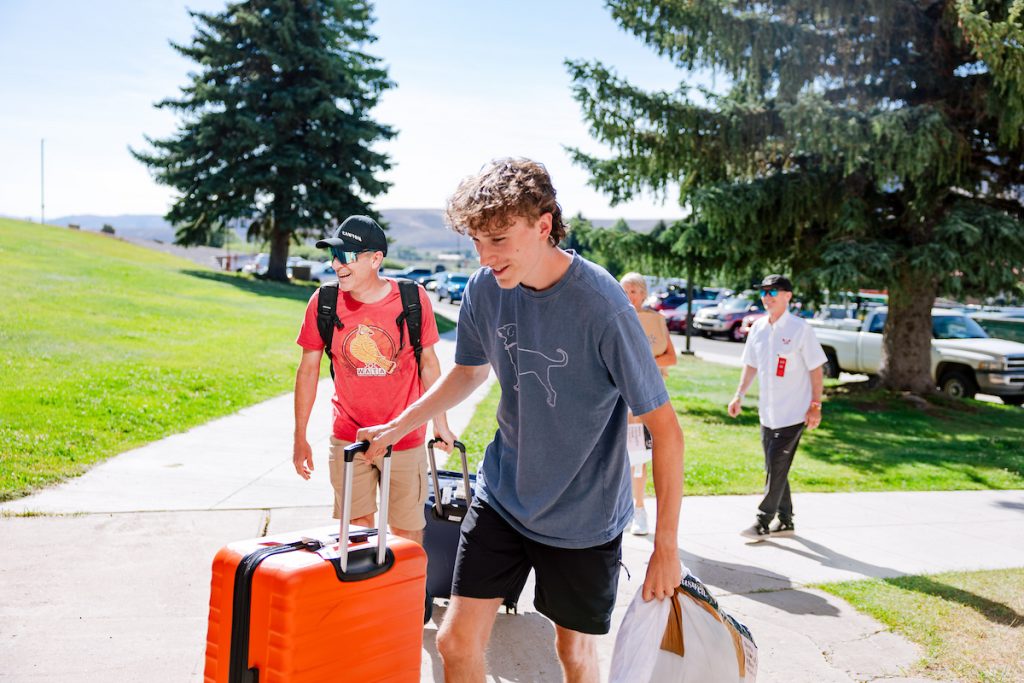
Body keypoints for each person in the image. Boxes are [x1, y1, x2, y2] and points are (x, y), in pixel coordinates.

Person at [358, 158, 684, 683]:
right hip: (504, 495)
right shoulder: (486, 289)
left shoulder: (603, 308)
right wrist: (396, 427)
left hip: (583, 518)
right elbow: (468, 373)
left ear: (543, 225)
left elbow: (666, 432)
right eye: (477, 243)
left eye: (499, 240)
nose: (486, 258)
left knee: (573, 655)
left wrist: (665, 548)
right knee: (455, 641)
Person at [292, 214, 455, 546]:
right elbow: (307, 371)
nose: (338, 265)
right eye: (334, 256)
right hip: (348, 437)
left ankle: (407, 599)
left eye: (347, 256)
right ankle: (366, 599)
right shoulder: (323, 302)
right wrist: (300, 435)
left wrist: (441, 422)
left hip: (405, 437)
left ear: (375, 259)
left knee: (407, 537)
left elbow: (429, 364)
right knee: (356, 539)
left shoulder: (413, 299)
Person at [727, 274, 826, 540]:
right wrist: (739, 395)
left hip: (793, 413)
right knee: (775, 467)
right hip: (767, 413)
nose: (767, 297)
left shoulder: (800, 329)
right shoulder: (758, 329)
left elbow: (816, 370)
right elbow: (750, 365)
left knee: (777, 465)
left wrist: (815, 405)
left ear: (788, 296)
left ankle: (763, 520)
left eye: (773, 292)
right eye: (764, 292)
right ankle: (786, 520)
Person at [618, 272, 677, 536]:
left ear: (643, 294)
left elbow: (671, 358)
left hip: (645, 399)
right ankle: (622, 511)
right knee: (617, 456)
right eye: (624, 290)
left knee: (638, 457)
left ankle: (639, 509)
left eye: (633, 291)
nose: (629, 296)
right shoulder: (616, 318)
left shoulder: (655, 322)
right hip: (618, 398)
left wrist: (644, 364)